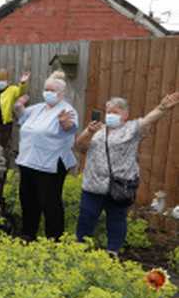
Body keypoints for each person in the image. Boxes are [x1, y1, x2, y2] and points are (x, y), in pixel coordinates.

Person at [75, 92, 179, 254]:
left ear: (125, 115)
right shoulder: (98, 130)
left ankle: (112, 252)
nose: (110, 115)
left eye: (115, 112)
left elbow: (148, 119)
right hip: (93, 185)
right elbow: (80, 147)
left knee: (116, 220)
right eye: (108, 112)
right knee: (86, 218)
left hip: (119, 187)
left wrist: (162, 107)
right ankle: (79, 250)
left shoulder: (131, 129)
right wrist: (88, 131)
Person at [14, 73, 79, 241]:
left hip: (51, 163)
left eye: (52, 90)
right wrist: (19, 105)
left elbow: (70, 128)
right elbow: (22, 116)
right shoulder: (38, 108)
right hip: (28, 161)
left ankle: (54, 239)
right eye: (46, 89)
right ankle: (28, 235)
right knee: (28, 200)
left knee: (49, 203)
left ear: (61, 93)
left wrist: (65, 123)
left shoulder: (67, 110)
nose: (48, 92)